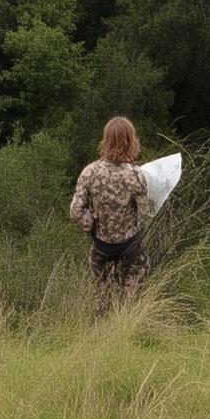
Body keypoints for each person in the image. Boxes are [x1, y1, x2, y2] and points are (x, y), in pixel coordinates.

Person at [69, 116, 150, 306]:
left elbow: (75, 212)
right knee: (131, 299)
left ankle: (101, 326)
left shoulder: (89, 172)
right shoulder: (136, 175)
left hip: (101, 247)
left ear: (106, 140)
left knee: (101, 301)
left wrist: (87, 220)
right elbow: (146, 212)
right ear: (131, 141)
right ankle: (126, 324)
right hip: (129, 247)